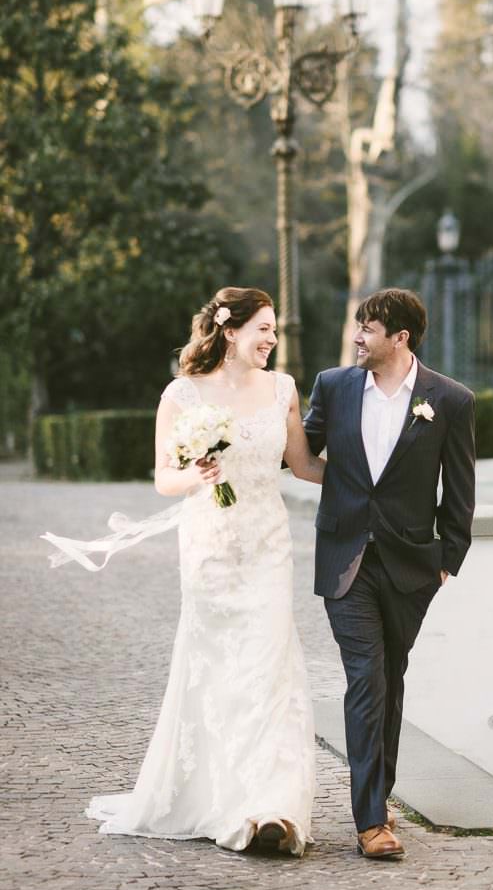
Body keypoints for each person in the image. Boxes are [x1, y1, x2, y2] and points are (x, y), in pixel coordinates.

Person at [43, 287, 324, 856]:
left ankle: (270, 807)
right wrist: (197, 473)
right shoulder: (182, 395)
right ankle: (219, 795)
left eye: (275, 331)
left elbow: (304, 465)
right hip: (211, 549)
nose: (272, 340)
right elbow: (163, 480)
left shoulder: (285, 390)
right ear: (229, 329)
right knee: (216, 669)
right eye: (263, 329)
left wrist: (376, 469)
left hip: (269, 547)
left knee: (269, 668)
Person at [304, 287, 475, 860]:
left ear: (400, 339)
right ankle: (371, 821)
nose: (358, 337)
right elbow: (299, 453)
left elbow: (461, 488)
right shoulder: (332, 386)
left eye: (369, 329)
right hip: (345, 558)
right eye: (358, 326)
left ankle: (381, 796)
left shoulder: (448, 400)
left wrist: (448, 560)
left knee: (392, 681)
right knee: (367, 680)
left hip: (411, 567)